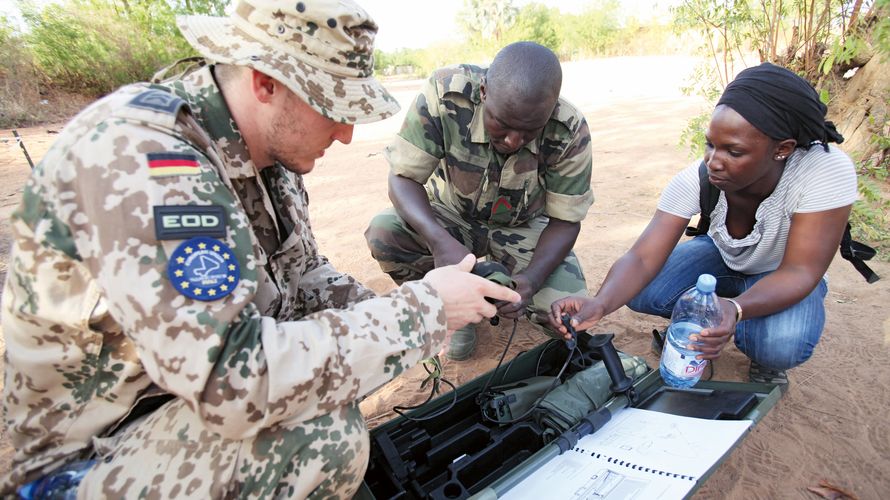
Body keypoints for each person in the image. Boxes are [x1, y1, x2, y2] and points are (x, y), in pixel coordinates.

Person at [0, 1, 520, 498]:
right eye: (333, 109)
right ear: (265, 83)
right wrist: (422, 311)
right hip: (89, 450)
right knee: (319, 437)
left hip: (170, 398)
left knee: (349, 365)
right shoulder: (143, 161)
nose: (345, 134)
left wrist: (432, 305)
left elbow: (305, 279)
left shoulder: (266, 155)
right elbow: (234, 381)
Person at [550, 63, 857, 391]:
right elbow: (641, 258)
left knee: (780, 343)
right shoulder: (698, 178)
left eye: (733, 151)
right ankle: (700, 323)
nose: (713, 161)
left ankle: (757, 352)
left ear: (782, 149)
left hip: (782, 272)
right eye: (711, 144)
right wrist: (601, 302)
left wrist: (735, 309)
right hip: (723, 260)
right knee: (642, 289)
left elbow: (800, 271)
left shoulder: (824, 171)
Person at [364, 41, 594, 361]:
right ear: (484, 92)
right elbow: (403, 178)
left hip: (524, 225)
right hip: (450, 214)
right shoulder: (446, 95)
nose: (514, 141)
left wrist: (531, 280)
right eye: (503, 123)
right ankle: (454, 310)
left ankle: (491, 296)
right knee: (385, 232)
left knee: (568, 318)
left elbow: (566, 220)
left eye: (530, 130)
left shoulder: (568, 129)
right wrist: (438, 240)